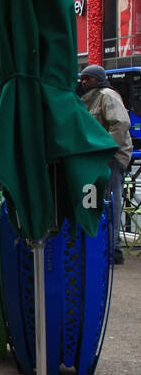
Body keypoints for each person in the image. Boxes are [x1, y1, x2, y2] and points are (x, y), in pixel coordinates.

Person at [78, 64, 131, 264]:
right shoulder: (88, 100)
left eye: (88, 78)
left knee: (109, 203)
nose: (83, 82)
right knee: (96, 203)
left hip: (110, 159)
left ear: (99, 80)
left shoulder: (107, 95)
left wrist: (106, 149)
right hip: (97, 160)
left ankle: (112, 249)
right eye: (82, 78)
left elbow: (121, 123)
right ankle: (103, 246)